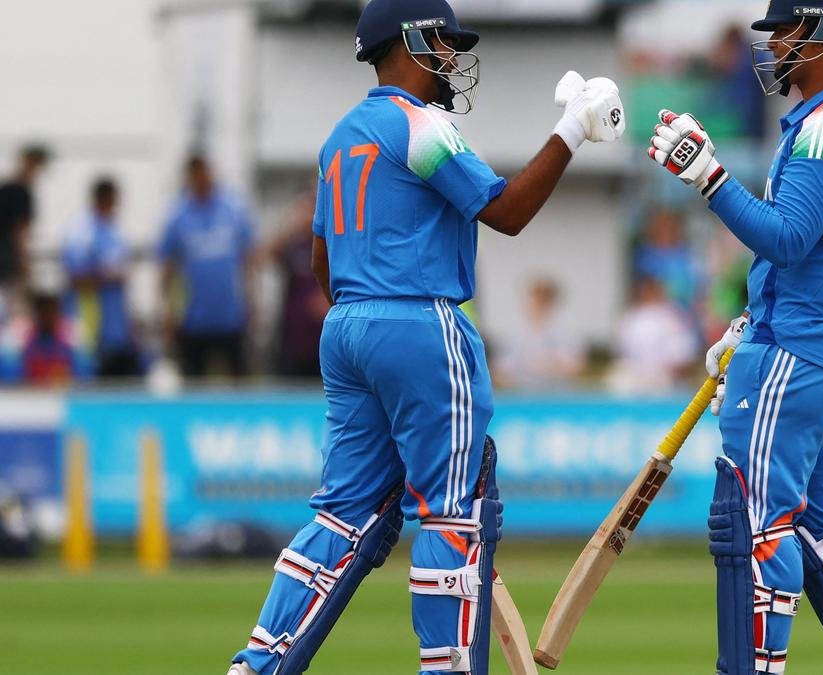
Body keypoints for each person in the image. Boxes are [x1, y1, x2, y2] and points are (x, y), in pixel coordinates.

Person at [227, 1, 625, 673]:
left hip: (346, 325)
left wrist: (367, 315)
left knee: (339, 515)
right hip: (420, 322)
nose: (451, 58)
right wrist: (573, 128)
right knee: (450, 513)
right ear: (409, 42)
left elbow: (323, 259)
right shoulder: (421, 125)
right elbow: (508, 211)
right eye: (443, 43)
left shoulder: (339, 137)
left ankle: (259, 661)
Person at [645, 2, 823, 673]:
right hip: (821, 349)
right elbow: (819, 257)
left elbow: (789, 238)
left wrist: (709, 177)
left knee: (752, 528)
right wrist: (752, 322)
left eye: (785, 31)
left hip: (800, 355)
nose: (772, 45)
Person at [159, 155, 257, 378]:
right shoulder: (177, 216)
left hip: (231, 317)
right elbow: (167, 268)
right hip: (193, 320)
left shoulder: (233, 210)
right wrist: (167, 312)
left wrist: (253, 303)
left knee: (239, 381)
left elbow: (248, 261)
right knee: (194, 384)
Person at [63, 178, 141, 377]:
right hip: (90, 332)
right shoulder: (81, 232)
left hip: (118, 333)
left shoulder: (117, 231)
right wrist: (107, 276)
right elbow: (74, 277)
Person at [265, 187, 328, 379]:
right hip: (292, 340)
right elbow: (267, 254)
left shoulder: (331, 245)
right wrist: (292, 225)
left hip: (323, 338)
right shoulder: (294, 244)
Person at [609, 276, 699, 395]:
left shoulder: (673, 316)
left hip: (664, 378)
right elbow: (622, 351)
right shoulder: (631, 317)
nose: (646, 294)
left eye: (650, 290)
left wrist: (669, 372)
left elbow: (684, 352)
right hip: (635, 375)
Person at [492, 278, 584, 391]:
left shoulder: (566, 332)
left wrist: (547, 367)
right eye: (536, 298)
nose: (539, 304)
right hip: (521, 395)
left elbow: (575, 366)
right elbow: (499, 370)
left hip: (558, 395)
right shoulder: (514, 333)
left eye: (545, 299)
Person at [0, 145, 50, 314]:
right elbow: (20, 231)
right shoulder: (21, 192)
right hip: (8, 262)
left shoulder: (6, 187)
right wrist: (24, 265)